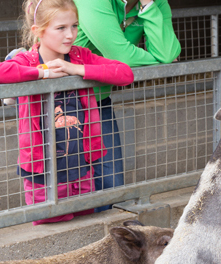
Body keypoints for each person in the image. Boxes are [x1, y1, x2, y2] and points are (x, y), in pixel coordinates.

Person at [0, 0, 134, 225]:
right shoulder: (27, 59)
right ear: (38, 31)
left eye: (74, 26)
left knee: (86, 227)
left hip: (81, 167)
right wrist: (44, 73)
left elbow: (124, 73)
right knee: (51, 230)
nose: (70, 35)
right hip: (42, 171)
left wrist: (76, 70)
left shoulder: (79, 56)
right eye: (61, 28)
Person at [73, 0, 181, 212]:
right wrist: (156, 59)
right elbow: (121, 56)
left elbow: (167, 53)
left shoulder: (158, 4)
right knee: (71, 185)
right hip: (61, 104)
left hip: (98, 100)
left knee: (112, 183)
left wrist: (149, 6)